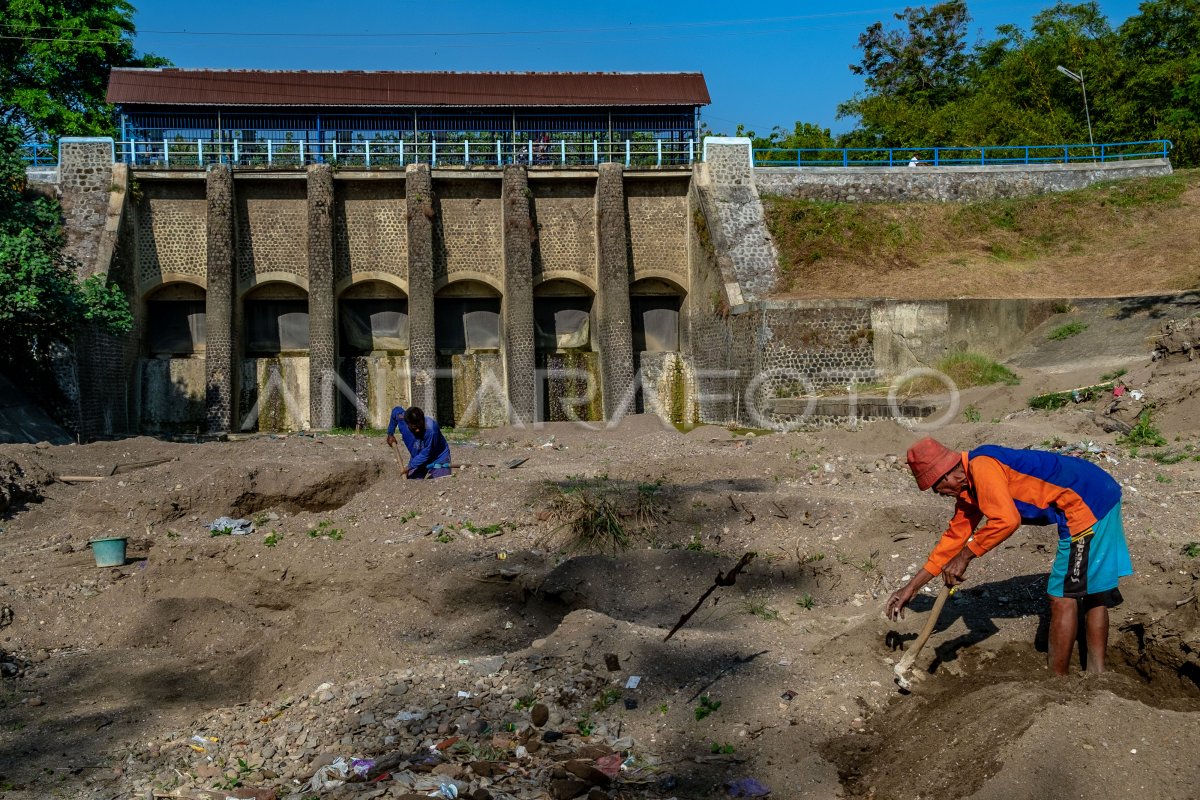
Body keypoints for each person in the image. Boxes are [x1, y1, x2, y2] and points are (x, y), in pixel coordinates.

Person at [886, 437, 1133, 675]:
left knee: (1062, 597)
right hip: (1098, 488)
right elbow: (952, 541)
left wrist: (965, 557)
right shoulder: (968, 488)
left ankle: (1057, 680)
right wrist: (912, 587)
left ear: (949, 474)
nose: (938, 494)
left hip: (1087, 502)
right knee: (1091, 594)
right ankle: (1097, 674)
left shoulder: (982, 467)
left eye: (936, 488)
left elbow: (1006, 520)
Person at [385, 406, 452, 479]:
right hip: (417, 457)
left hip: (438, 457)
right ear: (407, 424)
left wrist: (409, 467)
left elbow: (425, 454)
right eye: (414, 427)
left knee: (440, 483)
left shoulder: (431, 429)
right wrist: (390, 433)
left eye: (420, 426)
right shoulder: (402, 418)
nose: (417, 430)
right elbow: (396, 410)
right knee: (412, 484)